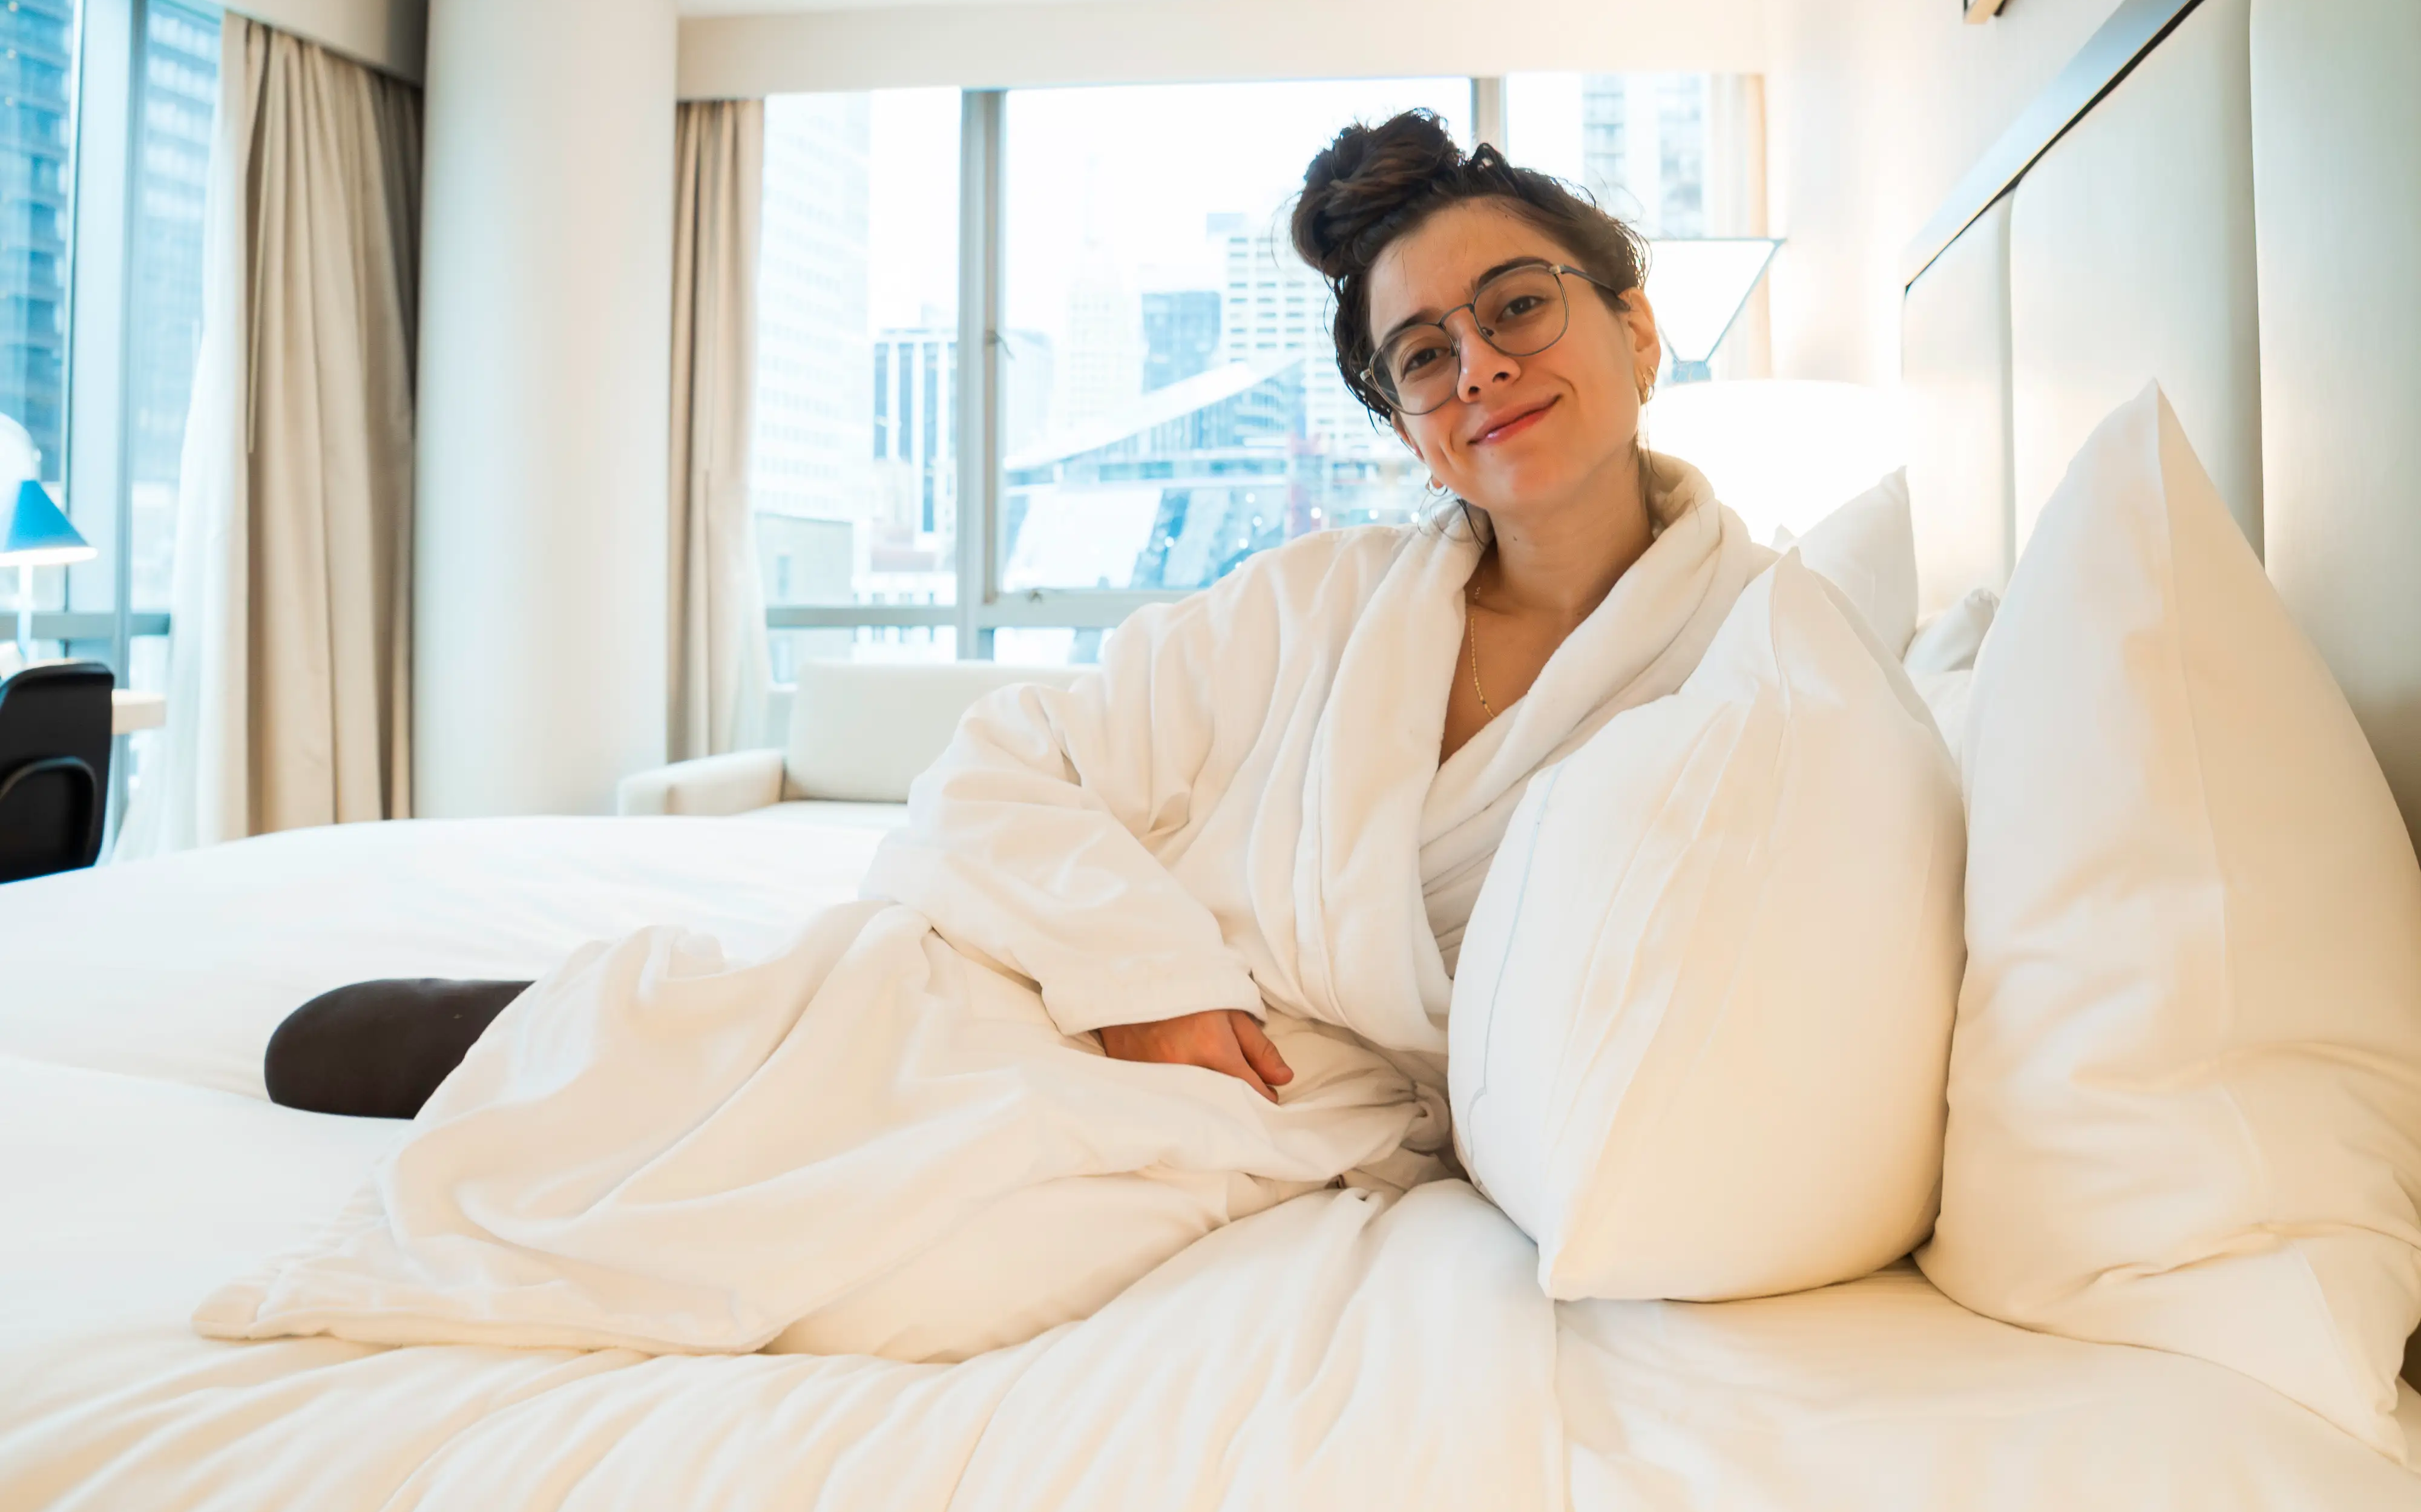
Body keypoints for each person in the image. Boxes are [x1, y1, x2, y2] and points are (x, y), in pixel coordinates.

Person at [266, 108, 1758, 1121]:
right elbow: (997, 766)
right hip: (1097, 993)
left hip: (1298, 1097)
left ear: (1632, 323)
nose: (1477, 370)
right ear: (1402, 421)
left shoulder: (1761, 651)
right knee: (830, 1037)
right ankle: (594, 1031)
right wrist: (1146, 983)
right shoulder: (1317, 601)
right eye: (1420, 354)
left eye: (1515, 307)